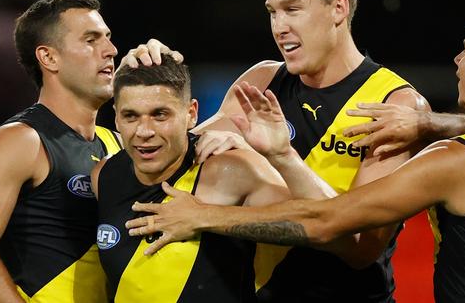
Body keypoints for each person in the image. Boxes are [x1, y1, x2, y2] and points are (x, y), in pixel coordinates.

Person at [127, 0, 465, 302]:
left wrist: (207, 216)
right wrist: (429, 123)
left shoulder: (453, 161)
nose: (456, 61)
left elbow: (331, 224)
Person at [121, 0, 429, 301]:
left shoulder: (394, 103)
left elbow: (362, 247)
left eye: (292, 8)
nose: (279, 26)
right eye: (272, 11)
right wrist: (146, 79)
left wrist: (279, 157)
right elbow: (162, 156)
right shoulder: (262, 81)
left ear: (339, 8)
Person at [92, 57, 337, 302]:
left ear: (191, 114)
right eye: (131, 116)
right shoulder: (103, 176)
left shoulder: (230, 169)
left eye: (160, 115)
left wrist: (282, 156)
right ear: (116, 118)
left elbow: (322, 224)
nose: (144, 132)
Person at [0, 0, 124, 302]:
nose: (110, 50)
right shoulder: (21, 140)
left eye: (107, 38)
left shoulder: (117, 143)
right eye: (91, 40)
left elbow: (231, 109)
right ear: (49, 58)